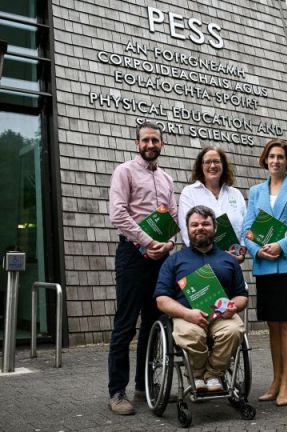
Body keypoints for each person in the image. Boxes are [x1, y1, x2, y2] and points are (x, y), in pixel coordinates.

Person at [107, 121, 178, 415]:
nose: (150, 145)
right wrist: (148, 242)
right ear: (137, 144)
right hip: (132, 255)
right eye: (145, 140)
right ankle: (117, 392)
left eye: (155, 140)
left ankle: (144, 385)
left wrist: (169, 243)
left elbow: (174, 216)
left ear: (162, 144)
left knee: (153, 322)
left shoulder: (167, 179)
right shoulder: (124, 172)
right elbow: (117, 214)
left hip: (161, 258)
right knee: (126, 324)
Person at [242, 138, 287, 407]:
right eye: (271, 156)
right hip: (265, 266)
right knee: (272, 324)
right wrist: (256, 251)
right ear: (265, 160)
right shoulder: (256, 191)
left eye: (280, 157)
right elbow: (247, 229)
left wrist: (281, 246)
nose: (275, 161)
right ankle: (274, 380)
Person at [154, 205, 248, 393]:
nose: (200, 228)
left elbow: (242, 296)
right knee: (192, 335)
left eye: (205, 224)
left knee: (234, 330)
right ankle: (196, 374)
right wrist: (186, 314)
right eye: (194, 224)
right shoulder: (174, 260)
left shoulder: (229, 260)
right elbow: (161, 299)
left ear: (215, 228)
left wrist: (232, 306)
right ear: (188, 229)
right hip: (187, 315)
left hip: (221, 315)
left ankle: (213, 374)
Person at [178, 146, 246, 262]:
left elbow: (245, 227)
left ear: (223, 165)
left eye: (216, 161)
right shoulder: (189, 192)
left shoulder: (236, 194)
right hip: (200, 261)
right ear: (201, 166)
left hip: (232, 261)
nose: (212, 166)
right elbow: (186, 230)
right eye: (208, 162)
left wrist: (241, 254)